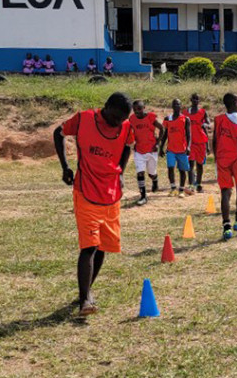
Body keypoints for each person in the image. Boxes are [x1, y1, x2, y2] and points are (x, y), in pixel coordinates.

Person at [53, 91, 133, 316]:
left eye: (122, 120)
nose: (118, 123)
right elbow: (58, 133)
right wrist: (65, 167)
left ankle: (87, 290)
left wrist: (121, 172)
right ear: (106, 107)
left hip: (111, 195)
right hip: (85, 191)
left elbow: (128, 145)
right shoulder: (84, 119)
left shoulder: (126, 127)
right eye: (115, 118)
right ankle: (84, 300)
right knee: (89, 246)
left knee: (102, 247)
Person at [213, 92, 237, 239]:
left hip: (222, 158)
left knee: (225, 191)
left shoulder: (218, 119)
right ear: (236, 103)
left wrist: (216, 158)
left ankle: (226, 227)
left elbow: (215, 140)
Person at [128, 100, 164, 204]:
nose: (137, 111)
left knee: (151, 174)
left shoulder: (150, 117)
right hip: (139, 151)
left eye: (139, 109)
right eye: (134, 109)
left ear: (144, 108)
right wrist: (132, 141)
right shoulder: (132, 119)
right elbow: (129, 131)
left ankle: (155, 180)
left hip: (151, 150)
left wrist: (157, 143)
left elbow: (162, 129)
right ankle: (143, 196)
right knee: (140, 173)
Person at [158, 99, 192, 198]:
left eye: (178, 104)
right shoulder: (168, 119)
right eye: (174, 104)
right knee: (170, 168)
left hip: (182, 149)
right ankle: (173, 189)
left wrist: (188, 146)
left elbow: (189, 135)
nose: (176, 106)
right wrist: (161, 147)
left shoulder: (186, 119)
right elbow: (165, 135)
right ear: (172, 106)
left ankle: (181, 190)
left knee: (182, 170)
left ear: (181, 106)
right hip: (171, 149)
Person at [186, 93, 210, 193]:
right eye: (194, 98)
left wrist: (205, 124)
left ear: (199, 100)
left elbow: (208, 123)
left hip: (201, 142)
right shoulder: (186, 113)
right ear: (191, 100)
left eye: (197, 99)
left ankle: (199, 184)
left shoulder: (203, 112)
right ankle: (191, 185)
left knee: (199, 164)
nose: (195, 100)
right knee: (190, 164)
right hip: (190, 143)